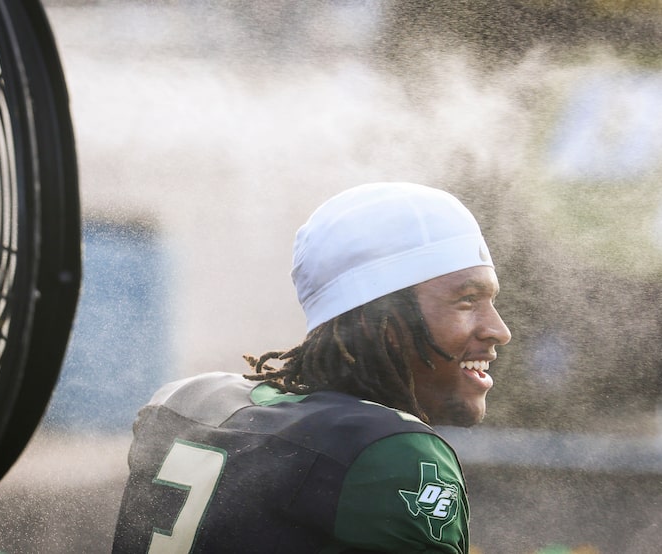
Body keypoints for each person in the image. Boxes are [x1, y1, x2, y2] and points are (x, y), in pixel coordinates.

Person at [112, 182, 511, 553]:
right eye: (467, 300)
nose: (499, 330)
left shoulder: (186, 401)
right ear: (383, 321)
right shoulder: (392, 452)